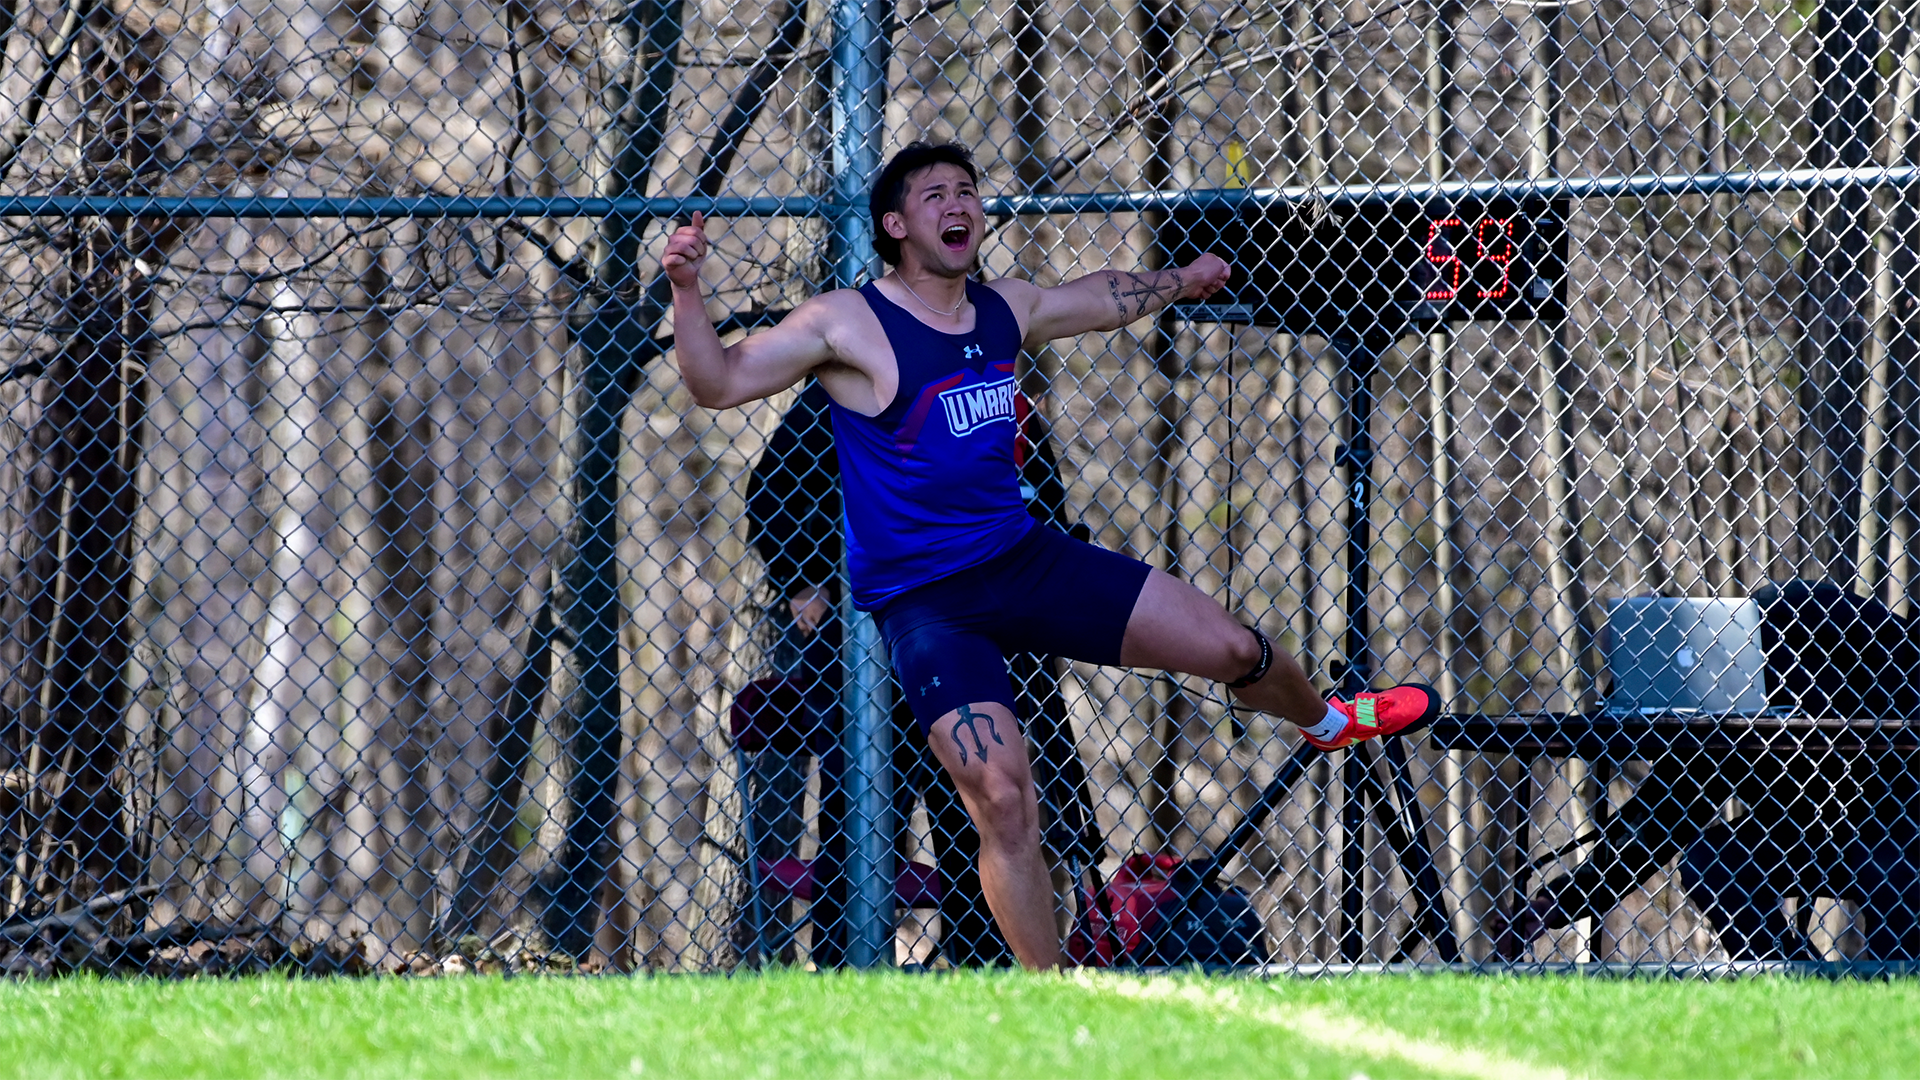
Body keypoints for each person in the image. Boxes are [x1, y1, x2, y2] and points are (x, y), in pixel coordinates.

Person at [665, 140, 1440, 969]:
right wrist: (686, 289)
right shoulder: (847, 321)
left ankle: (1327, 721)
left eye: (968, 190)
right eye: (935, 196)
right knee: (1003, 800)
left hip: (1029, 561)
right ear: (894, 225)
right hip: (931, 606)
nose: (958, 205)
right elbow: (717, 383)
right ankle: (1055, 995)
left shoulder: (1003, 308)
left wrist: (1185, 280)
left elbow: (1098, 298)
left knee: (1235, 649)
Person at [743, 379, 1104, 966]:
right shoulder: (857, 377)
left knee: (978, 809)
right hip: (869, 642)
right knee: (858, 814)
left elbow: (1044, 499)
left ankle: (985, 969)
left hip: (978, 637)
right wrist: (805, 575)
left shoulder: (999, 390)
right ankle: (846, 968)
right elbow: (771, 492)